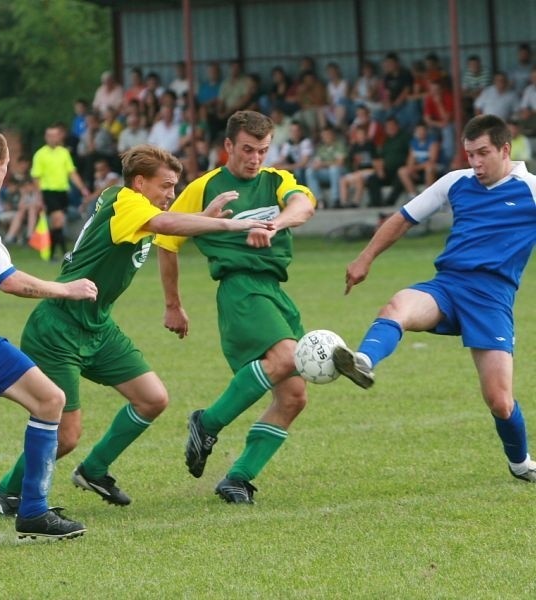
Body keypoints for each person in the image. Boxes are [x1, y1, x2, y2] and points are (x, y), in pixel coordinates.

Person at [0, 144, 273, 512]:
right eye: (166, 186)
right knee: (66, 434)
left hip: (96, 323)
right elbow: (165, 224)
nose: (171, 194)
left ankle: (94, 470)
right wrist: (227, 223)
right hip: (58, 328)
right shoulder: (127, 202)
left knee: (152, 398)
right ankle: (8, 492)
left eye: (174, 186)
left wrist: (202, 217)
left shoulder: (130, 201)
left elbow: (166, 224)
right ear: (140, 183)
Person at [331, 114, 536, 484]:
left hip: (492, 300)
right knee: (397, 306)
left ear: (505, 150)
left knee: (500, 401)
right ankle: (362, 360)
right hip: (448, 287)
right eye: (469, 154)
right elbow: (403, 218)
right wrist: (365, 257)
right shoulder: (456, 182)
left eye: (483, 153)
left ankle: (521, 463)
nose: (474, 163)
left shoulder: (531, 190)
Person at [0, 126, 98, 539]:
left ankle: (33, 514)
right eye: (8, 165)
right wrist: (66, 289)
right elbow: (9, 281)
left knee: (50, 399)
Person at [154, 110, 316, 504]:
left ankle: (238, 478)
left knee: (294, 396)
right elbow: (166, 237)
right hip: (239, 288)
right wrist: (173, 305)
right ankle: (207, 423)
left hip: (275, 290)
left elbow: (304, 206)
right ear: (228, 146)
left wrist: (275, 225)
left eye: (262, 150)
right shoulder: (206, 187)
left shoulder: (277, 181)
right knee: (287, 357)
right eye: (247, 149)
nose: (255, 158)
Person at [33, 124, 90, 261]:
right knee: (57, 220)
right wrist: (39, 197)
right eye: (49, 135)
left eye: (55, 135)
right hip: (49, 191)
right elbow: (36, 177)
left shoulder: (64, 153)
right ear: (46, 137)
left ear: (59, 137)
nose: (52, 138)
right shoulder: (40, 154)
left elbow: (72, 173)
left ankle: (53, 254)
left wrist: (82, 188)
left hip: (62, 192)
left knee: (59, 222)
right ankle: (64, 253)